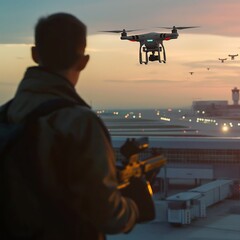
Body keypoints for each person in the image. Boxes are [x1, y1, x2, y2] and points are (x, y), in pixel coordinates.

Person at [2, 13, 153, 239]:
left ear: (34, 54)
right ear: (83, 61)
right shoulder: (78, 123)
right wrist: (135, 206)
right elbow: (108, 215)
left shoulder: (6, 115)